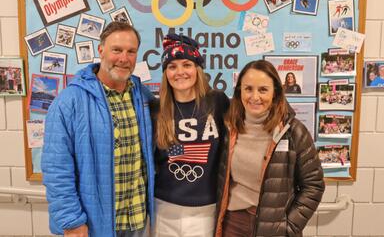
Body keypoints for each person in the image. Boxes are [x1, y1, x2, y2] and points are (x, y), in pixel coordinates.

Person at [42, 22, 155, 237]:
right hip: (93, 226)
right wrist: (72, 221)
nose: (124, 58)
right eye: (117, 50)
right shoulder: (69, 102)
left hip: (138, 221)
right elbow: (56, 169)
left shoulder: (142, 97)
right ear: (101, 50)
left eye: (131, 52)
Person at [215, 60, 324, 236]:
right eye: (248, 89)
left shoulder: (293, 131)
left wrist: (290, 227)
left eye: (263, 89)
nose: (255, 97)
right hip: (233, 224)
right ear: (239, 91)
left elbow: (314, 185)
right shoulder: (228, 127)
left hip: (275, 229)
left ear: (275, 92)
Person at [151, 34, 229, 237]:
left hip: (206, 208)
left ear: (197, 69)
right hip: (164, 206)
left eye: (187, 64)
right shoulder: (156, 109)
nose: (180, 72)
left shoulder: (218, 102)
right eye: (172, 66)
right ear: (165, 72)